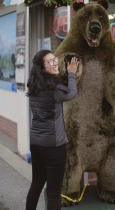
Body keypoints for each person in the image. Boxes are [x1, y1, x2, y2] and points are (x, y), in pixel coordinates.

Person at [25, 49, 79, 210]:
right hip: (54, 147)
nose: (55, 63)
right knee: (54, 192)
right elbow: (71, 93)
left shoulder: (33, 86)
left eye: (55, 59)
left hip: (36, 144)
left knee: (36, 185)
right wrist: (71, 74)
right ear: (43, 68)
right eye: (50, 62)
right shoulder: (56, 89)